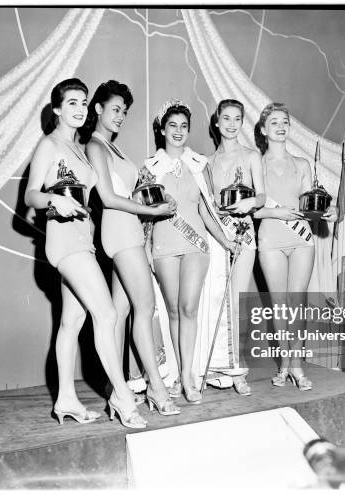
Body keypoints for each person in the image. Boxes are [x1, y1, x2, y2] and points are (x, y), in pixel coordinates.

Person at [24, 78, 145, 428]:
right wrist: (53, 200)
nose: (78, 109)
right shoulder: (49, 145)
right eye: (71, 103)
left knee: (71, 322)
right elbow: (32, 194)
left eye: (82, 102)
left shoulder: (79, 147)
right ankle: (122, 398)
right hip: (65, 243)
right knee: (106, 315)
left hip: (84, 241)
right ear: (57, 109)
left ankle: (65, 400)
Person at [80, 80, 179, 416]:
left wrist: (154, 199)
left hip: (127, 230)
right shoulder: (95, 146)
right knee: (145, 307)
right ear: (98, 109)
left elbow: (126, 191)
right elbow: (107, 198)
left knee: (122, 313)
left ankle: (117, 389)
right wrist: (153, 211)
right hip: (120, 232)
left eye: (125, 111)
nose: (121, 116)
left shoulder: (114, 148)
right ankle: (156, 387)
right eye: (115, 109)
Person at [144, 99, 234, 404]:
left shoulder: (200, 164)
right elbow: (144, 215)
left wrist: (226, 240)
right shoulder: (150, 167)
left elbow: (207, 210)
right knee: (172, 311)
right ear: (162, 129)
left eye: (184, 125)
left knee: (188, 309)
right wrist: (144, 250)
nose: (179, 131)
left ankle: (188, 377)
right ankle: (175, 372)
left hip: (196, 245)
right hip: (164, 246)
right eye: (173, 125)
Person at [252, 103, 336, 390]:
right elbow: (252, 211)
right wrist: (278, 213)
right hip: (271, 239)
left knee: (297, 304)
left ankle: (296, 366)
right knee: (278, 307)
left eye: (284, 121)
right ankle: (284, 364)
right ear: (263, 130)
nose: (280, 126)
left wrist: (326, 211)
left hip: (301, 239)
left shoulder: (302, 164)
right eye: (273, 122)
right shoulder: (256, 164)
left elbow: (308, 205)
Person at [199, 99, 266, 396]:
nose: (230, 123)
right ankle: (214, 367)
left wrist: (250, 202)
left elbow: (262, 196)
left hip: (244, 232)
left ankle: (237, 370)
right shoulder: (207, 162)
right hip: (217, 233)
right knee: (215, 301)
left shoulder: (252, 156)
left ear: (241, 122)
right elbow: (206, 204)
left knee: (236, 301)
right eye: (225, 118)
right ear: (216, 122)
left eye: (236, 118)